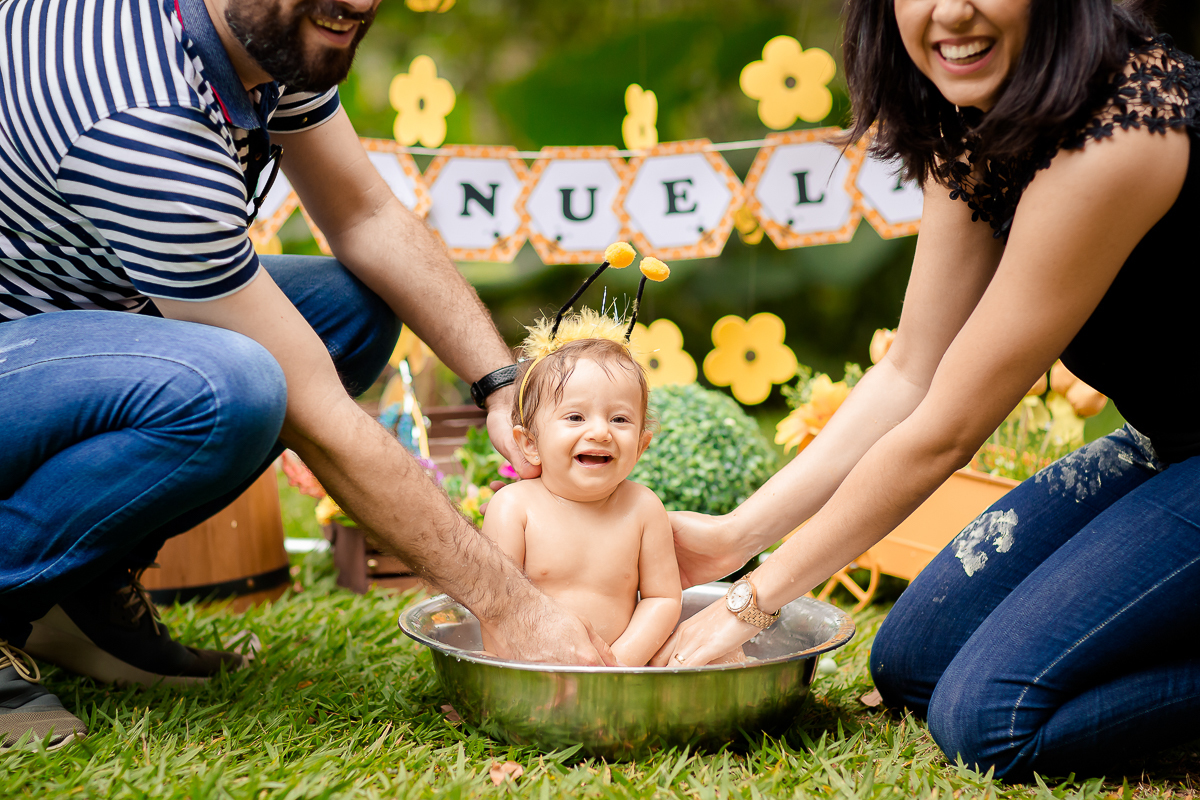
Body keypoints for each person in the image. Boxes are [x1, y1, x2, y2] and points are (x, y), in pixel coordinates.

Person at [0, 0, 614, 751]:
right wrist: (512, 608)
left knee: (352, 309)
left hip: (52, 324)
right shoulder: (137, 117)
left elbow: (365, 217)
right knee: (234, 389)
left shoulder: (258, 41)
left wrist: (499, 385)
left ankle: (76, 592)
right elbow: (320, 414)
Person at [654, 0, 1200, 781]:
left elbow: (947, 426)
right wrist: (735, 540)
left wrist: (754, 601)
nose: (950, 10)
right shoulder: (973, 113)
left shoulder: (1124, 133)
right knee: (913, 661)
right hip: (1163, 446)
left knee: (989, 722)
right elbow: (911, 371)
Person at [481, 318, 683, 667]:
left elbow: (662, 599)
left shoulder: (643, 508)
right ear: (529, 443)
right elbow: (495, 606)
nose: (601, 432)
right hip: (531, 667)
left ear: (641, 445)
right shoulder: (514, 509)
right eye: (575, 417)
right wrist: (508, 678)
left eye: (620, 419)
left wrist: (616, 667)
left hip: (620, 667)